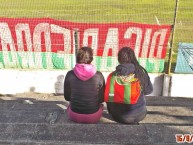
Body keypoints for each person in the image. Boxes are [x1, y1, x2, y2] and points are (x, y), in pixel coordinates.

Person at [105, 47, 153, 124]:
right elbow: (149, 91)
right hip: (140, 114)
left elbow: (107, 97)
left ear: (119, 59)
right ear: (133, 57)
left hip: (119, 116)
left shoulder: (112, 76)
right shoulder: (141, 72)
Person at [64, 46, 105, 123]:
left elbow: (67, 97)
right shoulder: (99, 75)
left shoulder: (70, 74)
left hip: (74, 116)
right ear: (91, 58)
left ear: (77, 58)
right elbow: (101, 99)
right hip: (93, 117)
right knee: (102, 107)